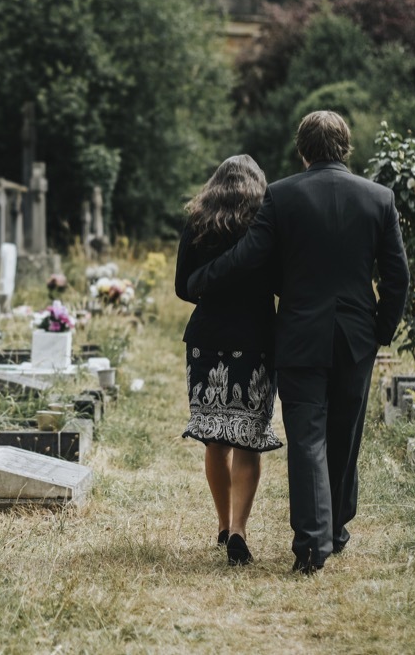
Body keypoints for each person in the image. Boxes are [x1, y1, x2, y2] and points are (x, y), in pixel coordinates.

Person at [187, 111, 409, 574]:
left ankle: (311, 546)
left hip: (300, 336)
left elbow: (249, 256)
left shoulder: (283, 195)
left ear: (303, 150)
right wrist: (379, 331)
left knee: (307, 437)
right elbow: (397, 278)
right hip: (356, 338)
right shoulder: (379, 198)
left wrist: (202, 279)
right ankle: (336, 529)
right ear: (345, 147)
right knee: (345, 434)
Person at [175, 154, 282, 566]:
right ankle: (239, 529)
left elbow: (183, 287)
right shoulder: (266, 223)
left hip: (206, 339)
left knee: (215, 439)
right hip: (254, 339)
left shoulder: (199, 220)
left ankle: (222, 525)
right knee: (248, 439)